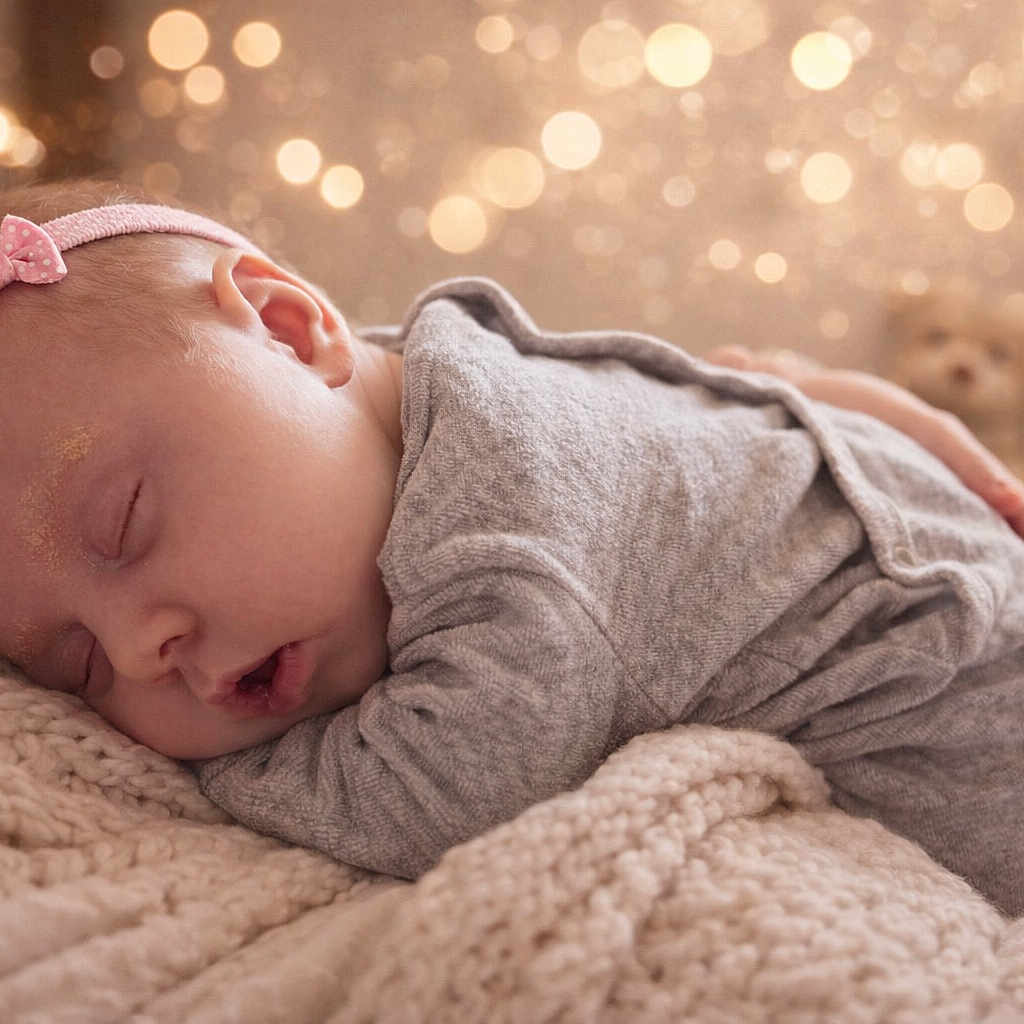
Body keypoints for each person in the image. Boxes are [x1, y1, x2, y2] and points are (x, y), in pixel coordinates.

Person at [2, 179, 1023, 914]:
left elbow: (434, 798)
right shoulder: (420, 371)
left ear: (288, 327)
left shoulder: (507, 529)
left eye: (125, 523)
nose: (137, 649)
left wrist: (216, 784)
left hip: (975, 711)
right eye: (76, 664)